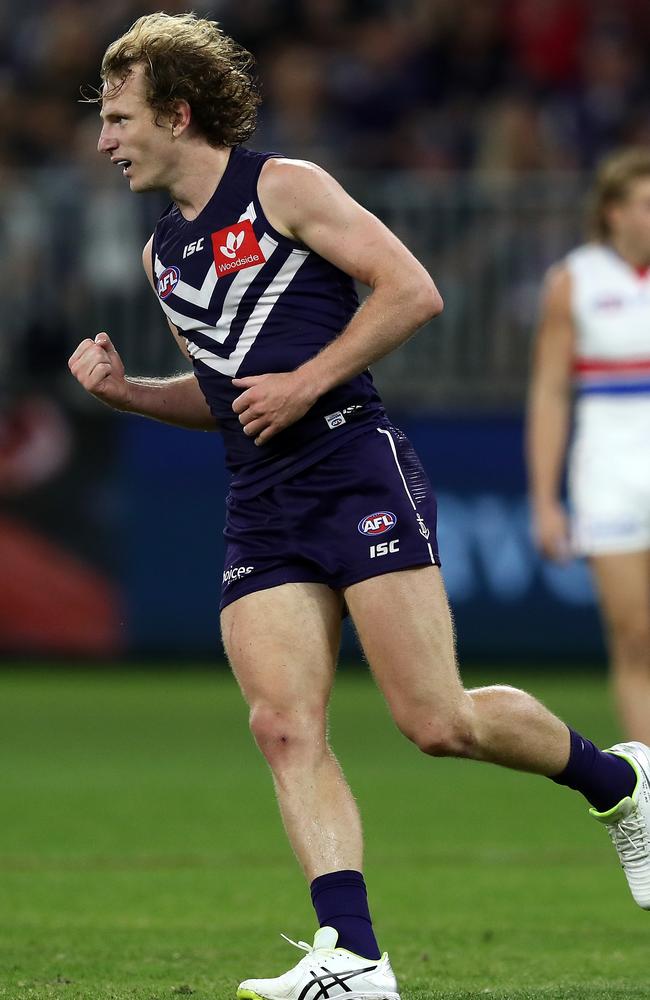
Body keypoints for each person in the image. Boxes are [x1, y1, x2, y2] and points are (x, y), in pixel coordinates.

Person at [69, 15, 650, 1000]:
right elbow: (225, 403)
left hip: (351, 465)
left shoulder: (283, 187)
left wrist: (304, 382)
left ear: (176, 112)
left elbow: (410, 291)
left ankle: (617, 784)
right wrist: (131, 393)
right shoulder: (162, 256)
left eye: (120, 118)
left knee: (434, 720)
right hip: (261, 497)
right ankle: (354, 954)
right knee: (281, 723)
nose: (103, 140)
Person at [528, 148, 650, 745]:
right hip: (609, 471)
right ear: (613, 213)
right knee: (634, 636)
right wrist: (546, 500)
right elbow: (551, 393)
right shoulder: (574, 280)